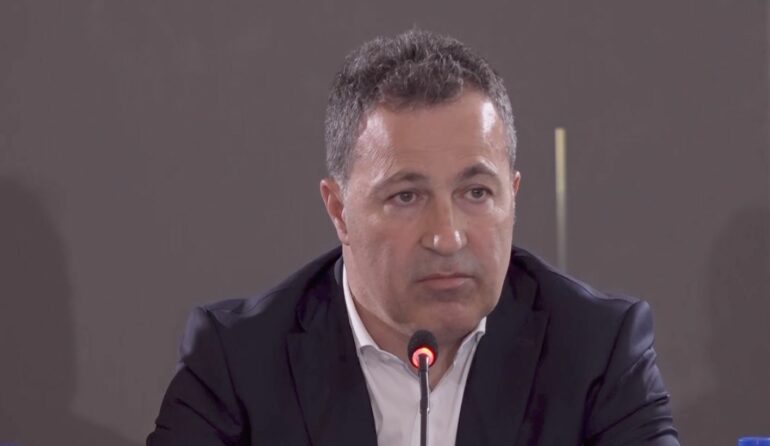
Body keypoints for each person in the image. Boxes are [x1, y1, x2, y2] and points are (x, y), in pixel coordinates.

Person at [147, 29, 679, 445]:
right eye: (406, 196)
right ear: (339, 210)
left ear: (513, 196)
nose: (447, 238)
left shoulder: (597, 349)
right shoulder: (237, 363)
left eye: (476, 192)